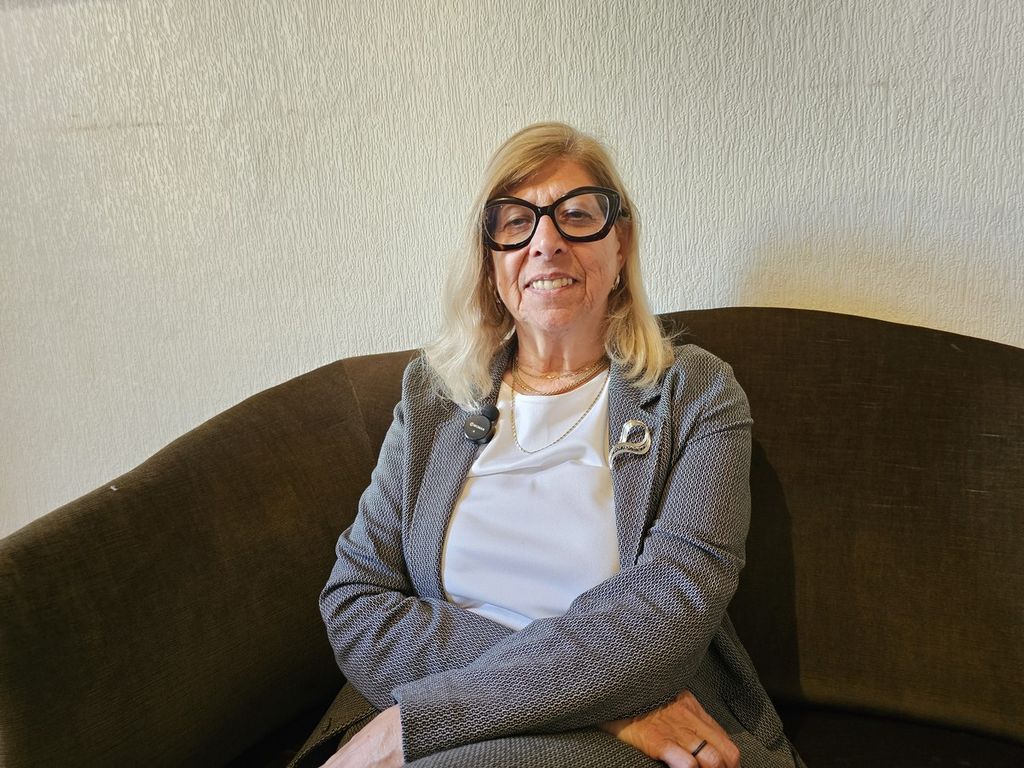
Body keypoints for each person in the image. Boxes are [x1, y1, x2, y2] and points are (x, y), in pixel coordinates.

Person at [292, 122, 804, 768]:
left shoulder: (698, 394)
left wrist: (412, 723)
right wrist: (596, 697)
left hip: (563, 735)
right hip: (619, 711)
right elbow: (354, 602)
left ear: (620, 244)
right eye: (516, 222)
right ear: (491, 261)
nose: (546, 242)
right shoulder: (432, 396)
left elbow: (673, 608)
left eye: (577, 216)